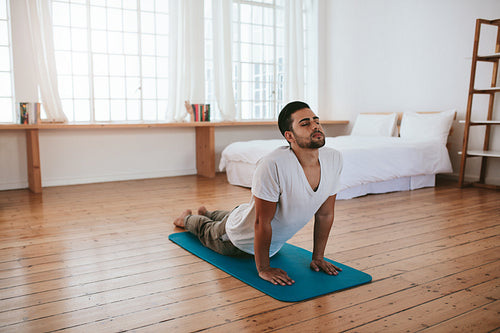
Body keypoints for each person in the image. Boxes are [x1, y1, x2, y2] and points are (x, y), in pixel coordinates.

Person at [173, 101, 343, 286]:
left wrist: (318, 257)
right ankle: (186, 219)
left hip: (249, 218)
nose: (315, 126)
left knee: (235, 215)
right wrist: (263, 268)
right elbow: (262, 222)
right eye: (305, 123)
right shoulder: (272, 164)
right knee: (207, 229)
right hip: (237, 241)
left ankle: (209, 212)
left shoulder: (334, 158)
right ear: (289, 136)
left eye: (316, 120)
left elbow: (325, 214)